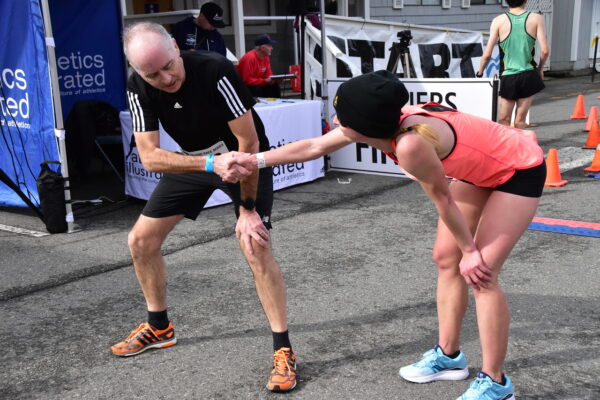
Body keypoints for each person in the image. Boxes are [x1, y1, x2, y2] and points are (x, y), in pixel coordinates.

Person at [231, 70, 546, 400]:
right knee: (445, 258)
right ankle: (449, 356)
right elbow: (313, 146)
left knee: (482, 274)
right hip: (480, 171)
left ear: (363, 127)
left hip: (517, 171)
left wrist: (470, 250)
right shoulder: (383, 125)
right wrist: (254, 160)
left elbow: (444, 199)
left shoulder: (411, 144)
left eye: (343, 115)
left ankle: (496, 381)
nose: (336, 119)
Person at [111, 22, 297, 393]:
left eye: (168, 66)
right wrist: (210, 165)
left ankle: (284, 349)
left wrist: (247, 210)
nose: (165, 78)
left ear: (177, 48)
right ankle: (159, 326)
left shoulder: (214, 69)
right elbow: (149, 157)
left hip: (244, 159)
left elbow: (248, 141)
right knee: (140, 241)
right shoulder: (138, 86)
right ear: (138, 72)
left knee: (255, 245)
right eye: (152, 74)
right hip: (199, 162)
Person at [477, 0, 549, 129]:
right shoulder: (536, 18)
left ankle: (506, 148)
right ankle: (518, 148)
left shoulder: (498, 21)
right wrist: (540, 69)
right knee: (520, 121)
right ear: (526, 1)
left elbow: (487, 55)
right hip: (528, 74)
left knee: (504, 120)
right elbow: (544, 51)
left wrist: (480, 72)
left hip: (508, 76)